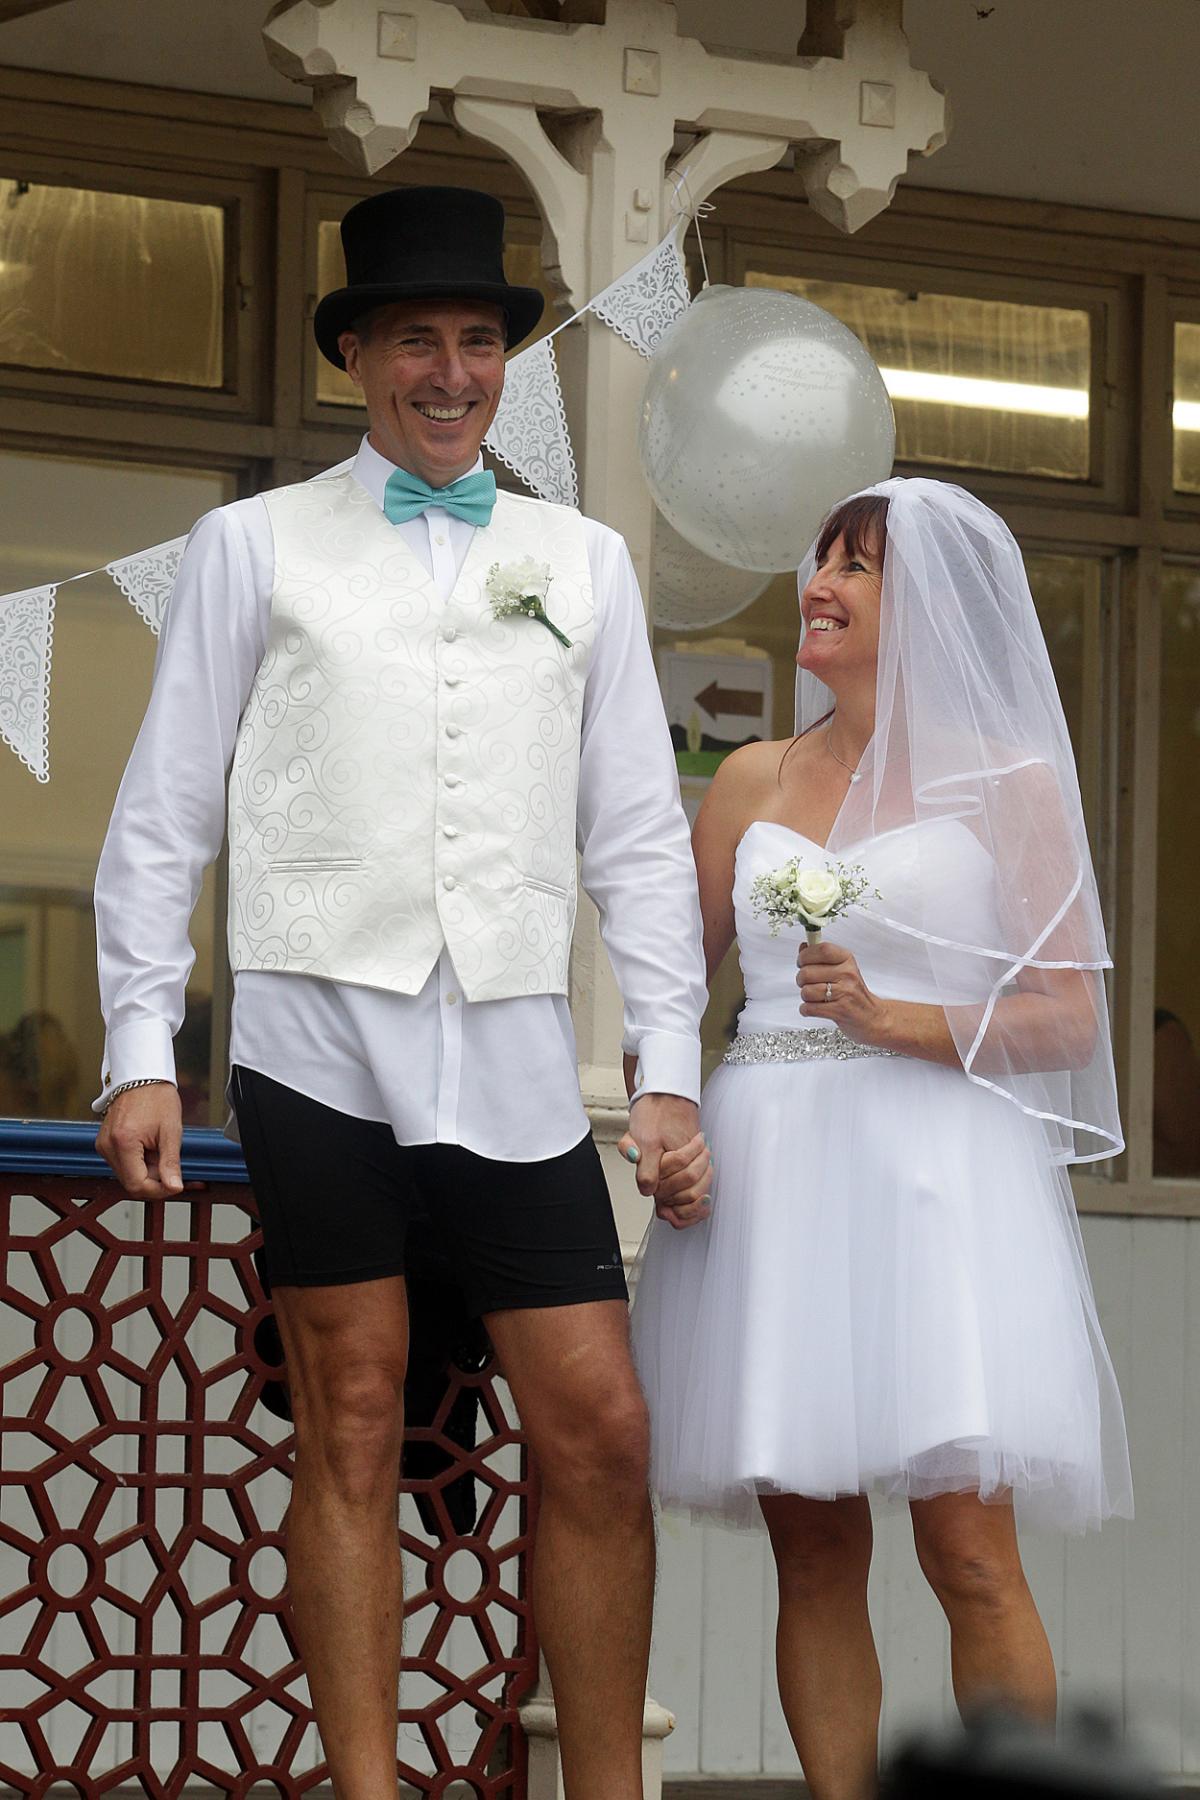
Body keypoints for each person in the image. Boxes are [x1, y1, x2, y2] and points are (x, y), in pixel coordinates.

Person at [93, 185, 712, 1800]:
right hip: (317, 1037)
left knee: (601, 1430)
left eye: (480, 342)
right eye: (419, 340)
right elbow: (163, 808)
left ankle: (607, 1789)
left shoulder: (578, 559)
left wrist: (669, 1066)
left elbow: (640, 835)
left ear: (509, 361)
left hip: (510, 1051)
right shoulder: (255, 543)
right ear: (359, 356)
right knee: (353, 1412)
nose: (452, 371)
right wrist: (138, 1047)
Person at [632, 479, 1133, 1800]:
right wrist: (667, 1113)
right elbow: (675, 989)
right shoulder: (750, 778)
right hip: (775, 1179)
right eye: (822, 563)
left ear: (935, 614)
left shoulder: (1006, 788)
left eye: (859, 570)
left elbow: (1071, 1015)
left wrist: (897, 1019)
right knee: (814, 1549)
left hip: (935, 1185)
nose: (823, 586)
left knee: (969, 1552)